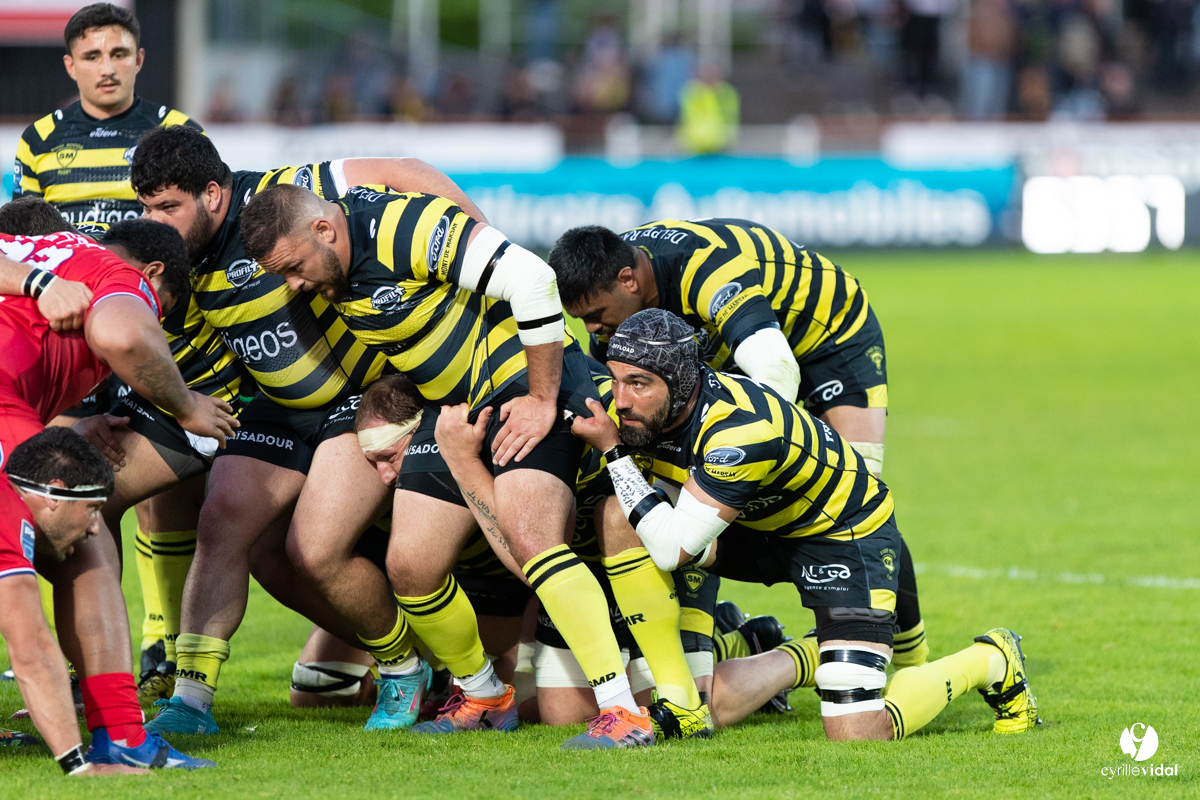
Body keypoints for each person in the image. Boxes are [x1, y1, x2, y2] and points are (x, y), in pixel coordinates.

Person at [237, 183, 656, 749]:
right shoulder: (330, 267)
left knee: (531, 538)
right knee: (411, 564)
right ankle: (484, 695)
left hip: (526, 389)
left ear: (323, 229)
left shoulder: (401, 226)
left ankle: (623, 713)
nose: (294, 286)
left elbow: (533, 280)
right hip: (456, 412)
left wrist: (539, 397)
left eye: (293, 268)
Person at [127, 124, 490, 736]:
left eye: (168, 206)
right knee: (229, 525)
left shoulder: (280, 196)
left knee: (312, 550)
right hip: (276, 409)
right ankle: (190, 700)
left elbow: (403, 169)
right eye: (146, 207)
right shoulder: (181, 260)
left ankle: (407, 671)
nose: (155, 220)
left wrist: (482, 243)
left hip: (359, 401)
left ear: (214, 194)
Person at [571, 309, 1041, 741]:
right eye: (616, 381)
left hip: (840, 534)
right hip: (755, 530)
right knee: (618, 513)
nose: (622, 400)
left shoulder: (738, 431)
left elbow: (672, 551)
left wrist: (614, 452)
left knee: (856, 731)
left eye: (639, 384)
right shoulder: (646, 411)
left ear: (678, 382)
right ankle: (685, 701)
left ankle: (992, 658)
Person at [549, 220, 930, 667]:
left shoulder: (703, 269)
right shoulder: (609, 279)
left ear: (628, 281)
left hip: (825, 335)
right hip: (731, 351)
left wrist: (716, 455)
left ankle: (906, 648)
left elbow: (777, 375)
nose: (593, 330)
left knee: (853, 486)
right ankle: (711, 646)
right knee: (682, 476)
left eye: (595, 315)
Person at [10, 1, 204, 675]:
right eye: (91, 56)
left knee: (155, 485)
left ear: (140, 60)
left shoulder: (174, 130)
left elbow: (191, 227)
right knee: (76, 480)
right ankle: (87, 658)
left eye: (119, 53)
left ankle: (157, 635)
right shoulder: (39, 139)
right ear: (70, 66)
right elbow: (27, 224)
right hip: (62, 331)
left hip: (134, 320)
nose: (107, 68)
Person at [0, 228, 234, 769]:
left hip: (15, 400)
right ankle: (122, 738)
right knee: (85, 540)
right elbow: (124, 336)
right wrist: (185, 405)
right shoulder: (118, 277)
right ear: (152, 277)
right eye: (163, 314)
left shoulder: (36, 251)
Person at [0, 429, 150, 774]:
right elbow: (32, 651)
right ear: (55, 494)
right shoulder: (8, 520)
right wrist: (78, 767)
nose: (95, 529)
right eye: (93, 508)